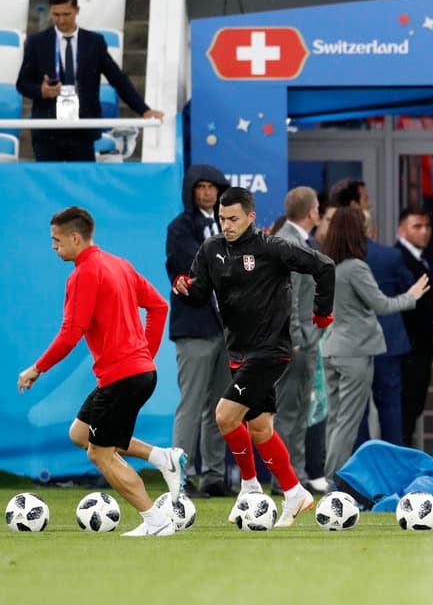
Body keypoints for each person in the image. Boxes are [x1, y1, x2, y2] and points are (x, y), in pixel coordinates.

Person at [172, 187, 336, 527]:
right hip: (238, 351)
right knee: (260, 427)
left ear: (251, 217)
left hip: (271, 350)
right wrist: (184, 286)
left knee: (224, 415)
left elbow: (324, 267)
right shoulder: (211, 249)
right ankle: (294, 492)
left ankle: (249, 488)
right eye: (221, 219)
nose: (227, 225)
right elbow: (200, 292)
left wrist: (321, 314)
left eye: (233, 219)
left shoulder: (272, 248)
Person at [19, 207, 183, 536]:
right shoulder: (118, 264)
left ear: (75, 238)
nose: (53, 247)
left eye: (56, 240)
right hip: (132, 374)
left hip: (124, 376)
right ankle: (163, 457)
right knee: (80, 434)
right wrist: (145, 355)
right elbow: (159, 306)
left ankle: (156, 521)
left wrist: (37, 368)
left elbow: (70, 333)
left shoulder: (82, 274)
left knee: (101, 453)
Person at [321, 207, 428, 481]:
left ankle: (334, 478)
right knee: (347, 421)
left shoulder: (327, 264)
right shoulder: (356, 267)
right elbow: (381, 304)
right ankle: (336, 480)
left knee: (335, 420)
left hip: (332, 348)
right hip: (355, 352)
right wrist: (411, 296)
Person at [16, 0, 163, 162]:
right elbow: (22, 83)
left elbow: (117, 79)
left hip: (82, 130)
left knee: (82, 185)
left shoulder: (94, 42)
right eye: (56, 15)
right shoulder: (37, 42)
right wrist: (41, 91)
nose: (61, 20)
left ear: (77, 10)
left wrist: (144, 110)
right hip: (47, 130)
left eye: (66, 14)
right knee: (49, 186)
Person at [164, 164, 233, 497]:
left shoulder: (230, 227)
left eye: (212, 187)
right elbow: (199, 268)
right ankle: (179, 475)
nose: (207, 193)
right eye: (200, 187)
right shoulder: (179, 228)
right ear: (190, 191)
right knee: (191, 406)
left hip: (227, 330)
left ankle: (214, 476)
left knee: (221, 407)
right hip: (194, 328)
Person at [272, 186, 329, 493]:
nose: (319, 211)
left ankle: (295, 476)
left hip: (303, 340)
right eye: (318, 206)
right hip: (295, 342)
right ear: (310, 212)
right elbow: (287, 297)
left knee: (298, 412)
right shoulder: (289, 243)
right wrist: (293, 338)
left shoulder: (297, 241)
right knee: (288, 412)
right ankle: (285, 479)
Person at [364, 211, 417, 448]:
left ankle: (359, 468)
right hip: (388, 342)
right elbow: (409, 288)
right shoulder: (390, 256)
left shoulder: (338, 257)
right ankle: (393, 464)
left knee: (355, 411)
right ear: (373, 231)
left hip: (356, 344)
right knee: (391, 409)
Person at [396, 205, 433, 450]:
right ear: (401, 230)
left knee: (413, 407)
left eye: (427, 226)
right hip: (409, 349)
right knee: (407, 409)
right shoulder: (400, 259)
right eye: (417, 226)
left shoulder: (420, 259)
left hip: (420, 348)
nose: (424, 232)